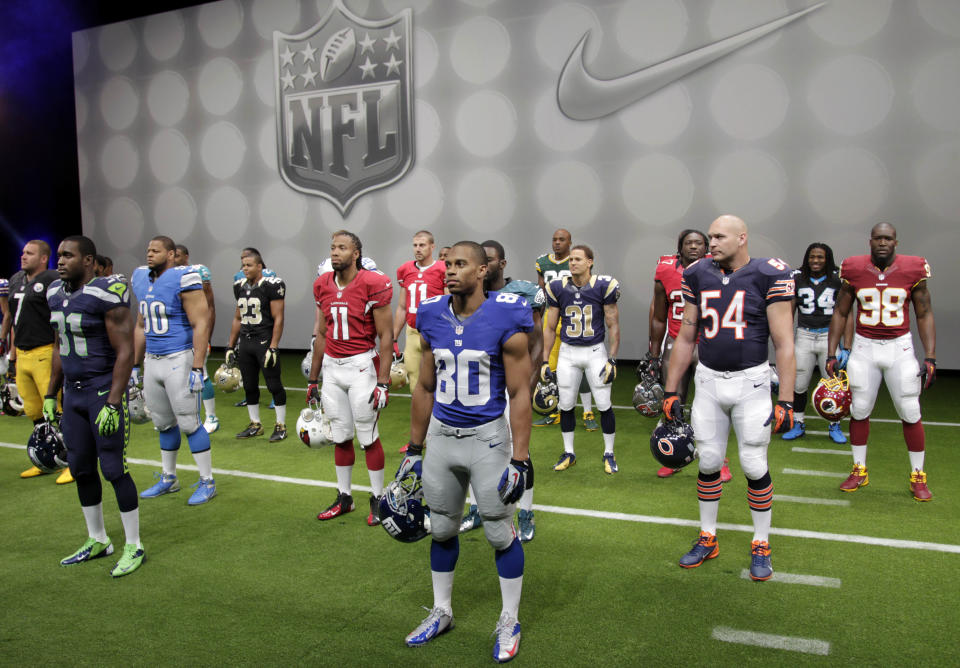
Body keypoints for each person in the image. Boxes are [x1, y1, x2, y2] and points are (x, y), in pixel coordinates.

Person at [397, 240, 531, 662]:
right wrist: (414, 447)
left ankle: (510, 617)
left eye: (460, 264)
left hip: (487, 438)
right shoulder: (431, 314)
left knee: (496, 530)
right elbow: (424, 386)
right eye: (447, 264)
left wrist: (521, 457)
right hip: (441, 435)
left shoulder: (506, 313)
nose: (450, 270)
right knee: (441, 529)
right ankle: (442, 610)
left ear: (482, 271)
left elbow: (519, 390)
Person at [662, 215, 796, 582]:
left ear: (742, 237)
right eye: (709, 237)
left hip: (751, 383)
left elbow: (784, 342)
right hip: (707, 381)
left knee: (753, 463)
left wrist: (786, 399)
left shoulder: (767, 273)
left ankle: (761, 541)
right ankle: (708, 536)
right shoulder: (698, 273)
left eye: (719, 236)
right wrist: (672, 389)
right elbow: (686, 337)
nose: (711, 243)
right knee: (707, 460)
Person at [45, 235, 144, 576]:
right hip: (72, 395)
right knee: (82, 469)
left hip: (102, 391)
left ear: (87, 261)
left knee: (114, 469)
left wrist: (114, 402)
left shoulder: (106, 292)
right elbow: (60, 348)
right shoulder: (54, 294)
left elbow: (125, 351)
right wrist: (49, 393)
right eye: (58, 255)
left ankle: (134, 543)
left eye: (67, 255)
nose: (60, 261)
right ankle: (98, 538)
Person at [825, 223, 936, 501]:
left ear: (896, 242)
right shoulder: (853, 268)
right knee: (859, 409)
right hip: (864, 347)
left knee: (910, 410)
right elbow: (841, 311)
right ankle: (859, 469)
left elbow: (923, 313)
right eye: (878, 238)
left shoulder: (914, 268)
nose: (882, 242)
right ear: (870, 241)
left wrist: (931, 355)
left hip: (900, 347)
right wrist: (831, 352)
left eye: (888, 238)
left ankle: (918, 475)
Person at [460, 240, 545, 542]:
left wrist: (529, 383)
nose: (485, 265)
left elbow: (536, 343)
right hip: (478, 387)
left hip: (511, 386)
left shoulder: (521, 293)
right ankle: (475, 509)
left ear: (501, 264)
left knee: (520, 451)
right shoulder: (468, 296)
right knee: (470, 448)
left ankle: (526, 511)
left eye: (490, 260)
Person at [308, 230, 394, 526]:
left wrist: (383, 381)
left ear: (356, 253)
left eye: (342, 248)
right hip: (332, 368)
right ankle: (345, 497)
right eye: (332, 247)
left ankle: (378, 499)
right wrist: (312, 379)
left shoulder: (373, 283)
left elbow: (385, 335)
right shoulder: (321, 285)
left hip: (361, 367)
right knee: (340, 436)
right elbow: (321, 333)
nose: (335, 252)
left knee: (368, 437)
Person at [132, 236, 216, 505]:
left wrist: (198, 365)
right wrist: (135, 364)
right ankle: (169, 477)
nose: (149, 254)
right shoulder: (141, 278)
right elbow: (139, 325)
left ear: (171, 254)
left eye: (156, 250)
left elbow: (200, 323)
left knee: (189, 421)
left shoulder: (184, 277)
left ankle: (207, 481)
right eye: (147, 249)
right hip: (152, 359)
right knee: (162, 423)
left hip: (178, 358)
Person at [649, 229, 733, 481]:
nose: (694, 247)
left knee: (713, 403)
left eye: (699, 243)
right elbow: (658, 315)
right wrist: (653, 352)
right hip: (676, 341)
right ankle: (673, 455)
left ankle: (720, 459)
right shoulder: (665, 270)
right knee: (674, 399)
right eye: (689, 243)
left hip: (709, 342)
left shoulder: (718, 270)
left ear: (706, 247)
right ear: (680, 247)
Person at [541, 245, 621, 474]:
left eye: (577, 259)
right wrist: (545, 360)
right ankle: (569, 452)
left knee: (604, 404)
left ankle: (609, 453)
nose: (572, 263)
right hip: (568, 352)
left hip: (595, 351)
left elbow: (613, 324)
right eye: (571, 259)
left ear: (590, 262)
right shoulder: (557, 287)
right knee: (565, 405)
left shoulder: (603, 286)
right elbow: (549, 327)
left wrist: (613, 358)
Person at [5, 240, 71, 483]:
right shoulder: (16, 280)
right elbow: (14, 319)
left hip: (45, 350)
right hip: (23, 354)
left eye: (29, 253)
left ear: (44, 258)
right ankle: (46, 459)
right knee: (34, 411)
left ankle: (73, 461)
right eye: (23, 252)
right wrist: (12, 354)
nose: (23, 256)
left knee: (57, 410)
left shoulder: (54, 279)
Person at [782, 243, 853, 444]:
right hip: (804, 335)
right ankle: (798, 423)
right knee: (799, 383)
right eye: (812, 257)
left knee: (834, 385)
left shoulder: (838, 278)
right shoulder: (797, 277)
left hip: (828, 337)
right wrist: (786, 339)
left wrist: (846, 346)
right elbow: (790, 311)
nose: (815, 260)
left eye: (820, 257)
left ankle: (834, 424)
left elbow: (847, 314)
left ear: (827, 259)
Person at [535, 229, 599, 430]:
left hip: (574, 319)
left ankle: (588, 412)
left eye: (562, 240)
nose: (557, 243)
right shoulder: (543, 262)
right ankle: (556, 410)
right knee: (551, 368)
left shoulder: (577, 260)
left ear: (570, 242)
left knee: (581, 367)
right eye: (554, 239)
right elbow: (541, 293)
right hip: (552, 318)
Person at [227, 249, 288, 441]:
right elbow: (237, 318)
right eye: (243, 265)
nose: (245, 268)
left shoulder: (271, 286)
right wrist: (230, 346)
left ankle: (280, 425)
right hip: (246, 342)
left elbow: (278, 318)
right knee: (250, 386)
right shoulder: (239, 286)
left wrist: (274, 346)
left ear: (260, 266)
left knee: (274, 384)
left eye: (249, 265)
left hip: (264, 340)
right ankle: (255, 424)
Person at [174, 244, 219, 433]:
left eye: (177, 255)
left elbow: (209, 307)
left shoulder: (198, 272)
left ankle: (211, 416)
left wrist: (207, 335)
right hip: (177, 332)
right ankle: (181, 415)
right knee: (176, 375)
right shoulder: (168, 276)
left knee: (202, 372)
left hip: (195, 331)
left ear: (186, 256)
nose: (174, 258)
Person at [394, 230, 445, 391]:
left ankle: (439, 415)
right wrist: (394, 338)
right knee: (413, 376)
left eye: (422, 245)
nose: (418, 249)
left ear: (432, 246)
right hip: (412, 331)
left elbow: (449, 305)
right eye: (415, 245)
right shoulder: (405, 269)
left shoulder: (443, 269)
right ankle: (419, 416)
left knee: (440, 377)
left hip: (436, 331)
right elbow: (402, 307)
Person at [231, 247, 276, 408]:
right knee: (248, 369)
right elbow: (240, 307)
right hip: (247, 329)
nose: (244, 264)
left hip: (263, 329)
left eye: (248, 259)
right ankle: (248, 396)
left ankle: (274, 397)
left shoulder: (269, 277)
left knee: (269, 367)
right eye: (242, 259)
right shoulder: (239, 278)